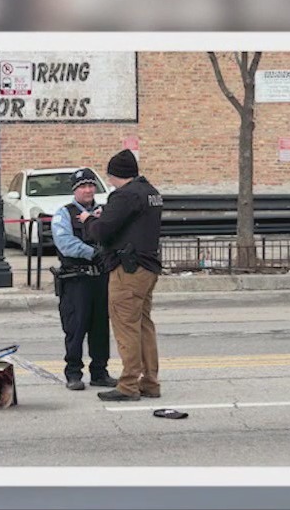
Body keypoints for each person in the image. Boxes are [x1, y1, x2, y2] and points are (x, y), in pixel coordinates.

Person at [80, 150, 164, 401]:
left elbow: (102, 231)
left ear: (115, 174)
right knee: (143, 325)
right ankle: (150, 381)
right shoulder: (151, 192)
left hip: (127, 269)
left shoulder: (124, 195)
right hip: (148, 267)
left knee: (125, 326)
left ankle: (128, 385)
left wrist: (88, 220)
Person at [51, 168, 119, 391]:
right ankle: (73, 373)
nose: (88, 190)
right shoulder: (64, 214)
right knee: (75, 327)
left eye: (91, 186)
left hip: (101, 278)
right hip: (76, 279)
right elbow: (66, 244)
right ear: (75, 190)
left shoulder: (105, 212)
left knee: (100, 327)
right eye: (83, 186)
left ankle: (100, 372)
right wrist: (94, 252)